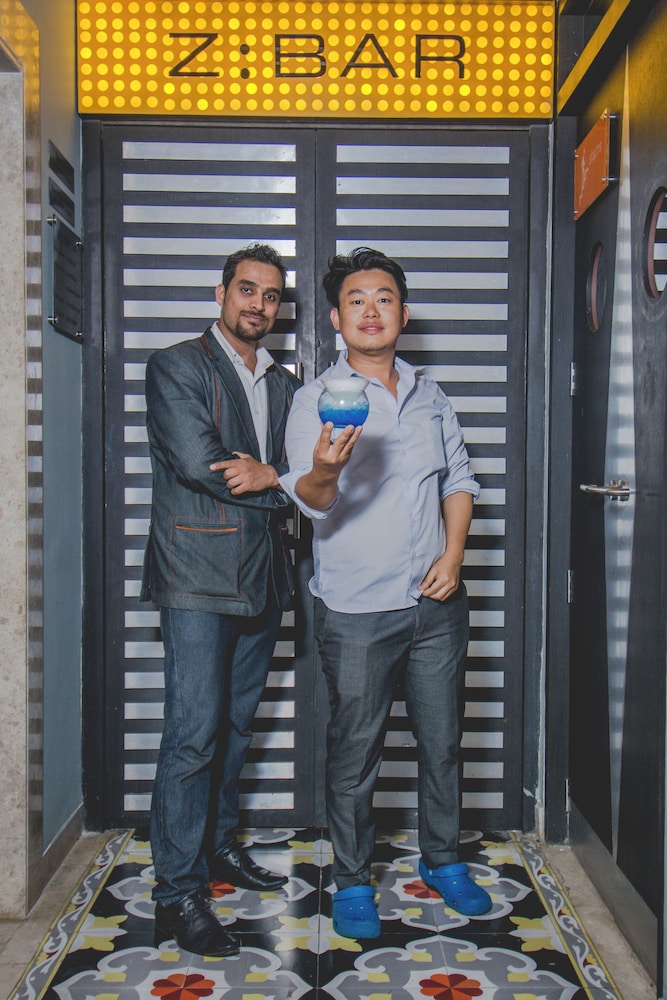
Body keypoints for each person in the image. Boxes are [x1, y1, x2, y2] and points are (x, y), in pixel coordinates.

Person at [279, 247, 492, 939]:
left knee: (442, 742)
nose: (371, 311)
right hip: (357, 608)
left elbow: (458, 479)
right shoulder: (314, 401)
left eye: (384, 298)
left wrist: (453, 556)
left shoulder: (430, 395)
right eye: (356, 300)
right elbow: (311, 500)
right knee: (355, 752)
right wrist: (323, 469)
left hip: (437, 603)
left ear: (402, 312)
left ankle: (442, 858)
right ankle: (350, 880)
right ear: (336, 319)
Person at [141, 244, 301, 957]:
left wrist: (282, 476)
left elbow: (306, 468)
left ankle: (218, 848)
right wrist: (282, 481)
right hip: (197, 577)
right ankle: (176, 895)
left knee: (235, 728)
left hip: (263, 576)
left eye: (270, 296)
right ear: (221, 293)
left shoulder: (285, 384)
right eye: (246, 290)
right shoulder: (176, 366)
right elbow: (203, 462)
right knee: (193, 734)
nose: (257, 305)